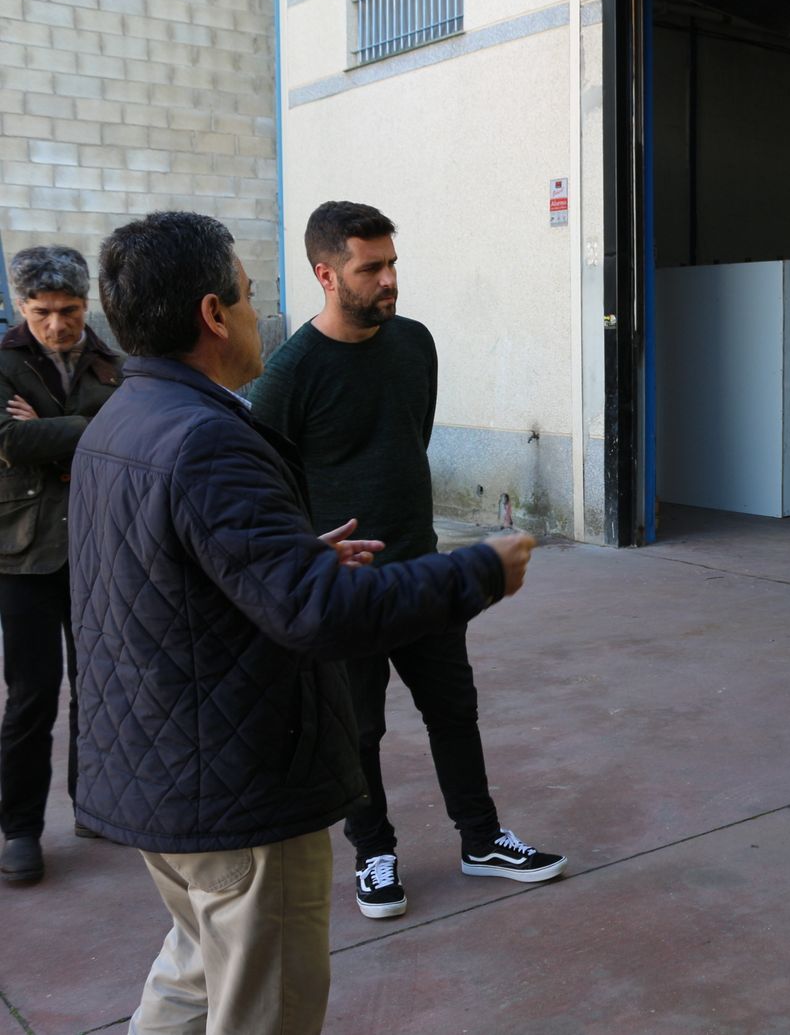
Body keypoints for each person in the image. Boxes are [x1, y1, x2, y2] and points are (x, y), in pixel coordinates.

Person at [70, 211, 536, 1033]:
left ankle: (482, 832)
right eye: (249, 297)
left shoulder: (121, 423)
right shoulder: (212, 437)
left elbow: (175, 571)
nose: (259, 312)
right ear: (214, 315)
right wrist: (479, 569)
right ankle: (378, 849)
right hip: (235, 788)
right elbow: (321, 614)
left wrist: (284, 553)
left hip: (165, 779)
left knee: (192, 979)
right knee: (264, 1009)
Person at [252, 201, 564, 920]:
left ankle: (481, 839)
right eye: (372, 267)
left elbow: (408, 438)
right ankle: (374, 852)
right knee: (358, 728)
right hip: (346, 588)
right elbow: (262, 479)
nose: (390, 280)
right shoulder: (290, 373)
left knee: (454, 709)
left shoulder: (414, 343)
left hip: (422, 574)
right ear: (327, 274)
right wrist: (310, 556)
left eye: (393, 263)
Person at [0, 245, 122, 884]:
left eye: (69, 309)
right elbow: (6, 441)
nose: (57, 324)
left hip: (96, 550)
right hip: (21, 556)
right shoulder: (3, 361)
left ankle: (94, 806)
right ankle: (19, 829)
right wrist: (81, 430)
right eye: (43, 311)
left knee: (100, 687)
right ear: (22, 307)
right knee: (31, 696)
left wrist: (47, 424)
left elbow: (126, 436)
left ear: (86, 304)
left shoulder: (111, 362)